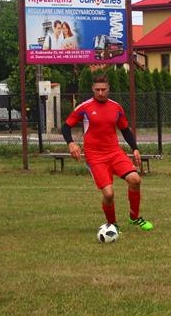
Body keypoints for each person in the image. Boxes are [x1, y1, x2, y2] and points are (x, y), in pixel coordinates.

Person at [62, 74, 153, 232]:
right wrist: (71, 143)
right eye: (97, 89)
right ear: (93, 89)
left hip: (114, 152)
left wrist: (135, 148)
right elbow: (66, 126)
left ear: (108, 89)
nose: (100, 92)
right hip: (95, 157)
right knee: (109, 194)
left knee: (135, 179)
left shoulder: (116, 107)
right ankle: (112, 225)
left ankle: (134, 217)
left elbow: (125, 130)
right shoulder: (84, 107)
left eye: (103, 89)